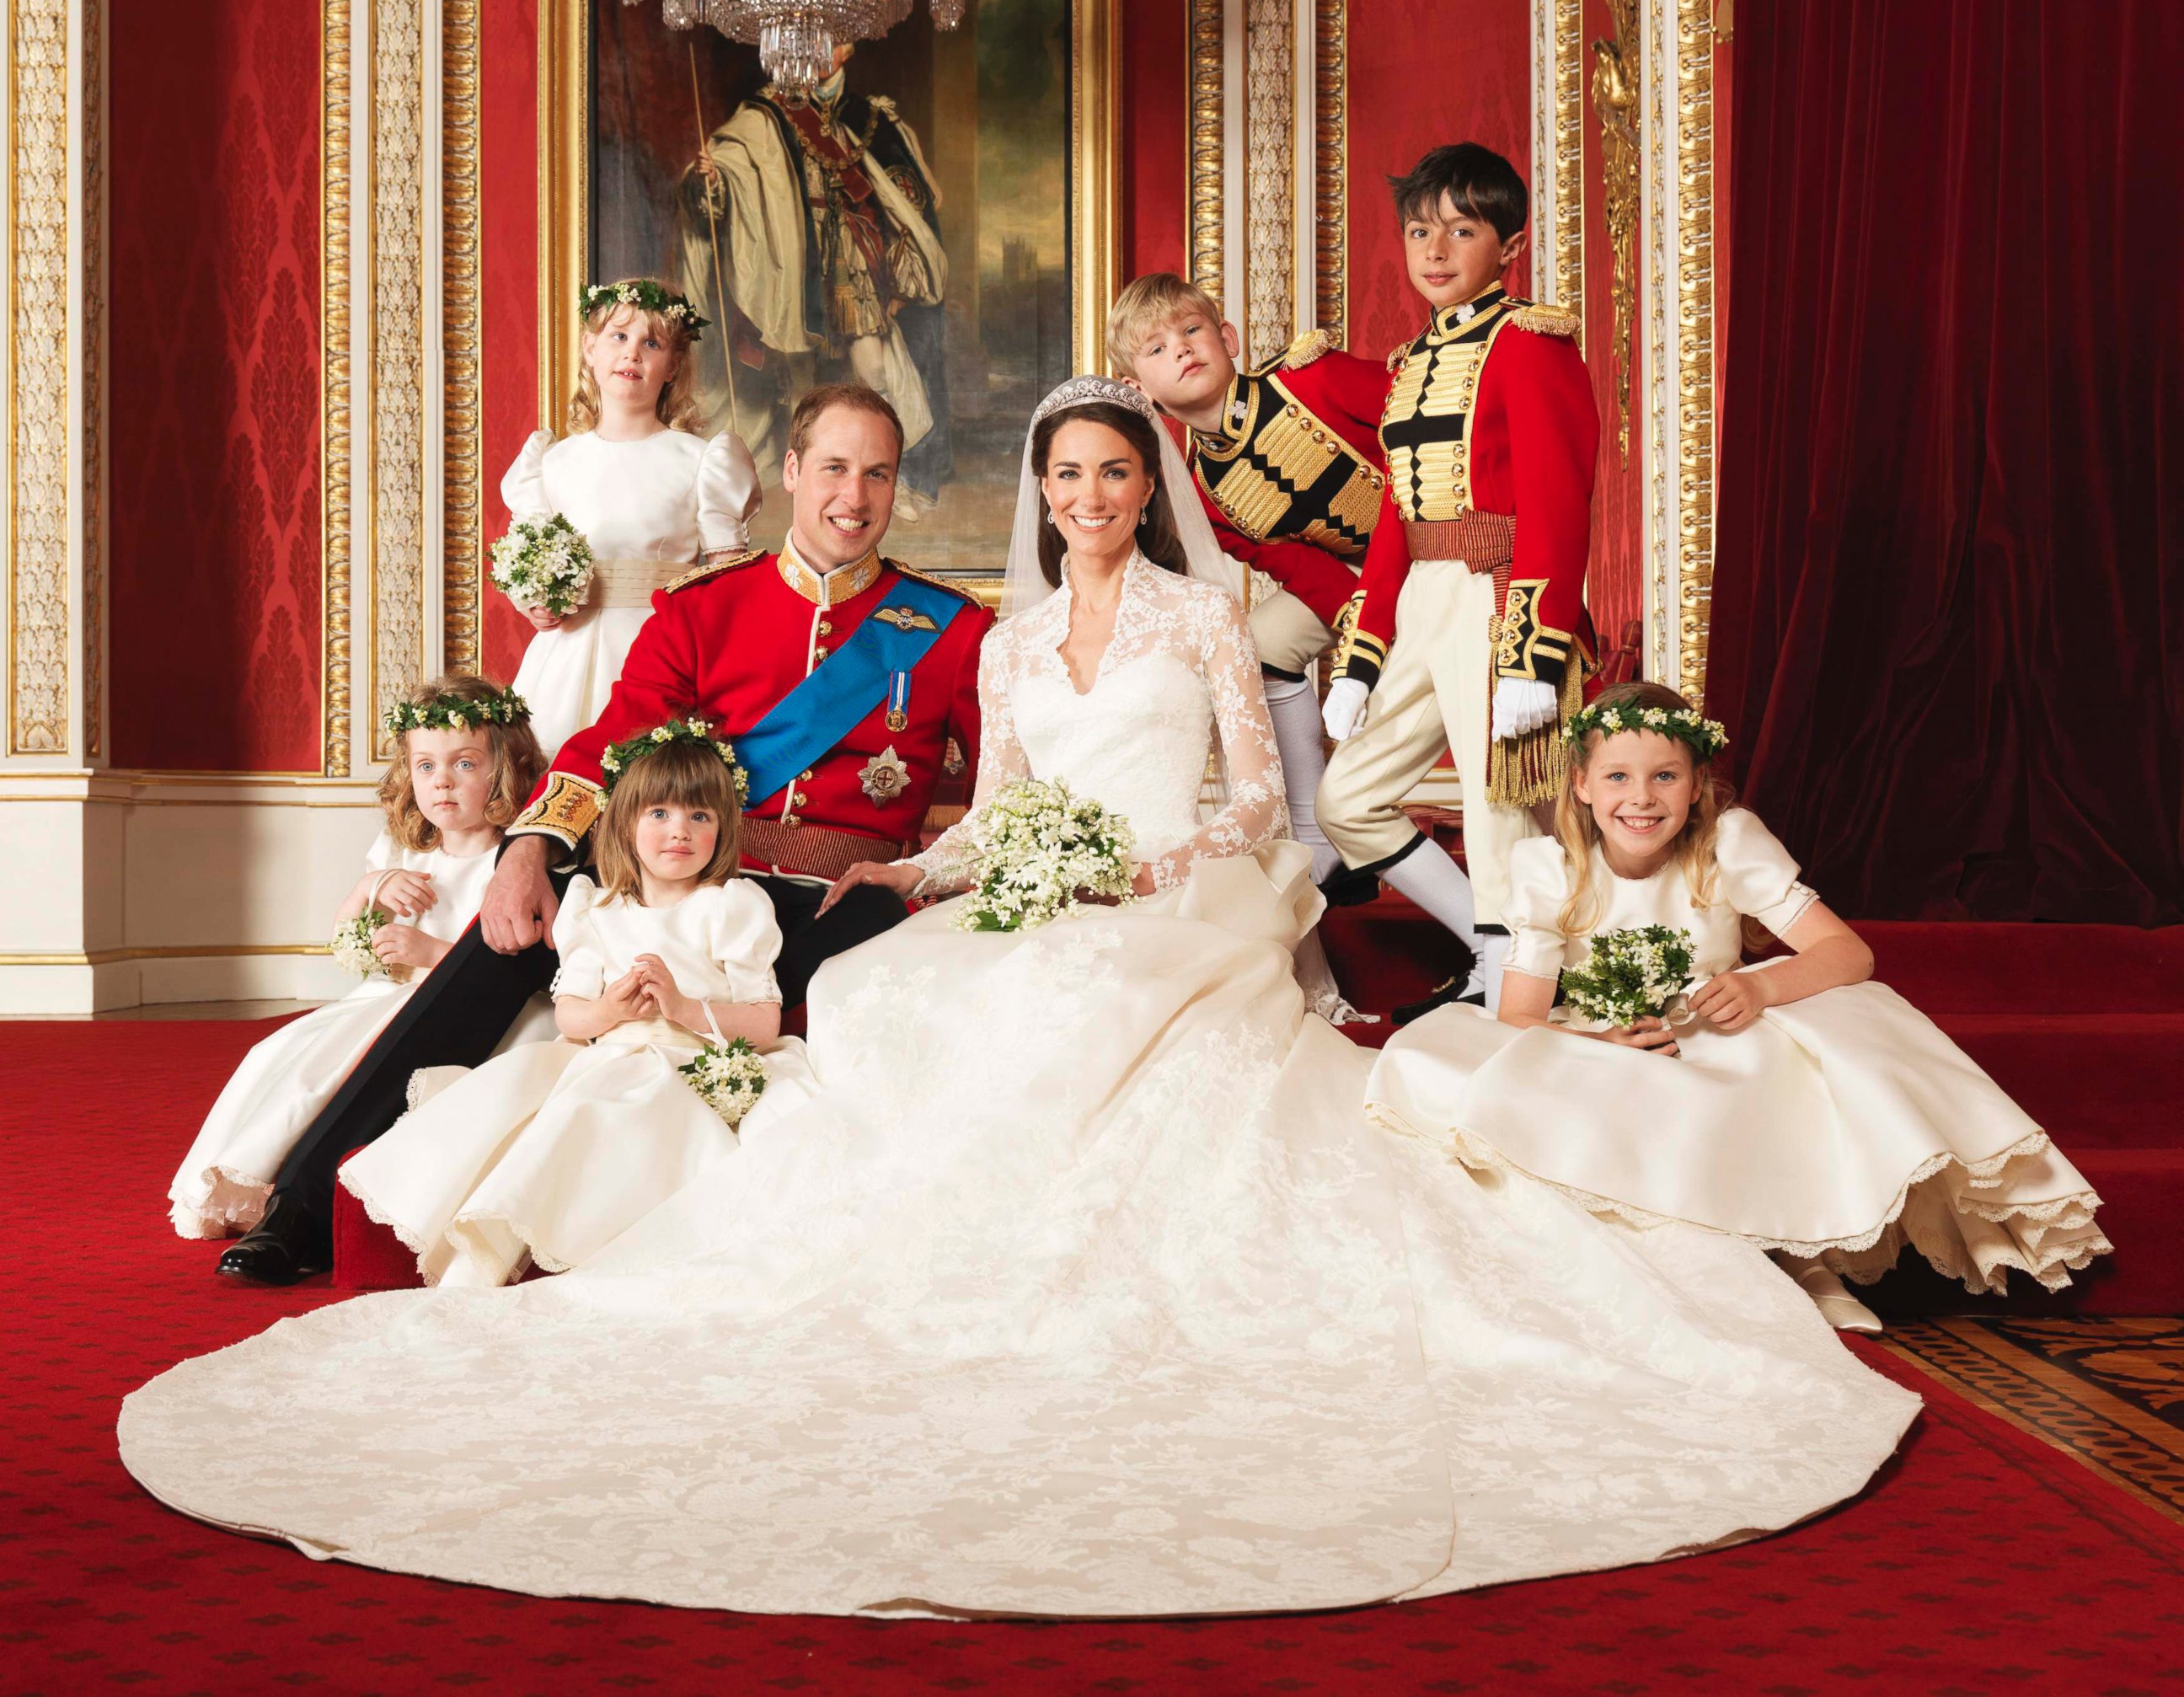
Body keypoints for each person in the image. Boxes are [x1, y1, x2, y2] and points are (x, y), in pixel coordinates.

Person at [124, 380, 1919, 1617]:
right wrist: (842, 861)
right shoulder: (843, 621)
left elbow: (1228, 799)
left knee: (997, 994)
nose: (1083, 500)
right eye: (1057, 479)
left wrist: (1098, 862)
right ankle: (353, 1189)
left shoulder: (1082, 621)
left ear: (1137, 485)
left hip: (1114, 889)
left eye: (1111, 475)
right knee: (796, 974)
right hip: (808, 861)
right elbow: (932, 799)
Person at [211, 382, 988, 1286]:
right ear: (790, 472)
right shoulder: (705, 608)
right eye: (834, 468)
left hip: (832, 902)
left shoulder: (951, 629)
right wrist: (528, 853)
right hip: (682, 872)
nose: (853, 497)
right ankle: (304, 1204)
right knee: (509, 935)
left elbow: (1005, 779)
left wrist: (927, 873)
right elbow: (604, 746)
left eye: (878, 474)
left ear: (898, 487)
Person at [1366, 683, 2112, 1331]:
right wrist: (1602, 1043)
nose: (1642, 797)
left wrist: (1760, 986)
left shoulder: (1726, 845)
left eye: (1665, 776)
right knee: (1448, 1059)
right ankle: (1690, 1266)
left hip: (1712, 1034)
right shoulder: (1549, 867)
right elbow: (1520, 1019)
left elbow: (1849, 954)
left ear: (1695, 785)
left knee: (1807, 1046)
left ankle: (1806, 1261)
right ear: (1584, 786)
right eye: (1619, 776)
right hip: (1605, 1040)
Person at [340, 725, 812, 1287]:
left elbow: (763, 1022)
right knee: (534, 1104)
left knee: (614, 1110)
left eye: (700, 817)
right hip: (608, 1053)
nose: (679, 831)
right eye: (658, 814)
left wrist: (683, 1008)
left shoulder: (733, 906)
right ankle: (484, 1253)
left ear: (723, 828)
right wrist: (612, 1010)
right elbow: (572, 1018)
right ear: (624, 823)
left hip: (696, 1063)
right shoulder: (598, 908)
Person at [1317, 142, 1598, 1019]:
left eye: (1462, 230)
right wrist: (1361, 659)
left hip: (1500, 592)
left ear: (1507, 246)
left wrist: (1532, 653)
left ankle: (1514, 980)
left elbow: (1561, 504)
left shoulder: (1530, 343)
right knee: (1346, 797)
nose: (1434, 251)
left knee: (1497, 798)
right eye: (1418, 232)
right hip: (1424, 601)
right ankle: (1489, 947)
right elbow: (1396, 519)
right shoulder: (1410, 362)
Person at [169, 677, 553, 1239]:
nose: (442, 781)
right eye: (425, 766)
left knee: (362, 1062)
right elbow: (349, 941)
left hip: (474, 1012)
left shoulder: (514, 863)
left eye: (465, 764)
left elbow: (515, 966)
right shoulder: (406, 852)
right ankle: (265, 1186)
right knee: (283, 1054)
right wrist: (373, 888)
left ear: (508, 768)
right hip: (388, 994)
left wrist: (431, 953)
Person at [1113, 271, 1395, 888]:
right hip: (1357, 579)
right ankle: (1317, 840)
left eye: (1191, 331)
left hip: (1439, 541)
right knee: (1253, 648)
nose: (1181, 349)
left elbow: (1421, 433)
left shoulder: (1308, 380)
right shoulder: (1205, 492)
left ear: (1229, 337)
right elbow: (1300, 569)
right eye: (1157, 349)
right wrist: (1371, 623)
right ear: (1139, 389)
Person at [500, 277, 760, 758]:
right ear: (590, 348)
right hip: (568, 654)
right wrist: (534, 601)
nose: (632, 354)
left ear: (673, 365)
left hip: (661, 651)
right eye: (619, 337)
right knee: (556, 772)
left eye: (652, 343)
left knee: (647, 785)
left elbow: (728, 583)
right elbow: (530, 558)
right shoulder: (552, 462)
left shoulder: (702, 459)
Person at [680, 44, 949, 505]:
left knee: (874, 369)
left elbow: (905, 199)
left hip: (851, 260)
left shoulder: (872, 118)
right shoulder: (766, 113)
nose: (824, 49)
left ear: (850, 45)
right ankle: (809, 480)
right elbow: (730, 172)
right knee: (801, 378)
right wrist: (711, 180)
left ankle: (883, 473)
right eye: (814, 38)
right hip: (795, 265)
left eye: (836, 37)